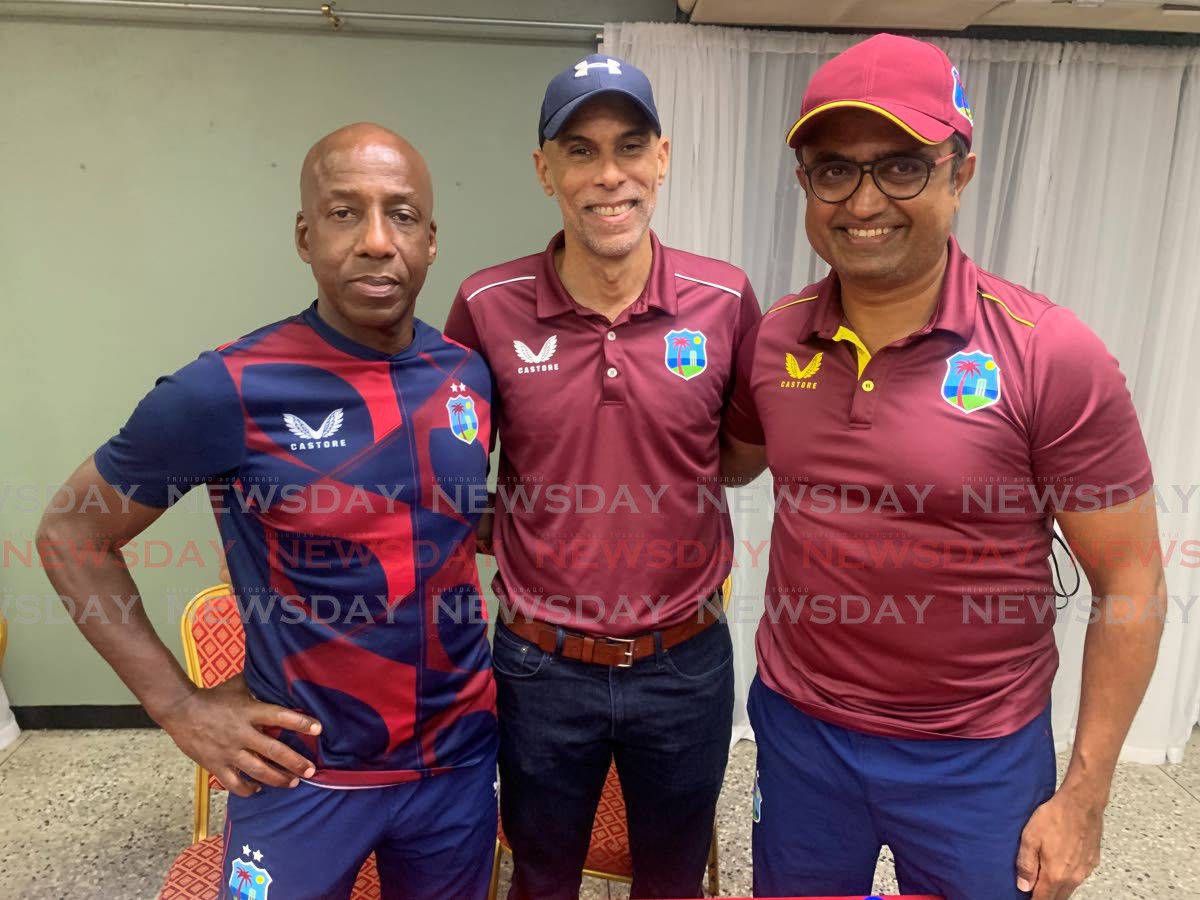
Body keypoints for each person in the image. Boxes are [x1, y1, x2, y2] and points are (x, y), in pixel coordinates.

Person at [720, 34, 1166, 900]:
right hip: (801, 732)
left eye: (901, 167)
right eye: (833, 170)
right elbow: (727, 460)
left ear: (960, 174)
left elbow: (1133, 579)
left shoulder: (1051, 353)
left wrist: (1085, 797)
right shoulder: (774, 338)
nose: (863, 201)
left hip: (979, 754)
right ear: (807, 184)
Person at [37, 123, 499, 900]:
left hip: (457, 767)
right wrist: (177, 704)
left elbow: (442, 521)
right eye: (346, 212)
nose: (377, 241)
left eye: (403, 215)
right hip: (306, 773)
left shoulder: (467, 374)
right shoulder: (225, 388)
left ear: (430, 240)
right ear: (305, 233)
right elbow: (70, 535)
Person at [443, 55, 761, 900]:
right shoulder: (486, 304)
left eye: (629, 147)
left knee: (671, 883)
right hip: (540, 665)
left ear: (664, 158)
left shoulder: (725, 300)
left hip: (685, 662)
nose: (608, 175)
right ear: (545, 171)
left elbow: (736, 454)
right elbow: (453, 474)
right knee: (541, 879)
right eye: (580, 151)